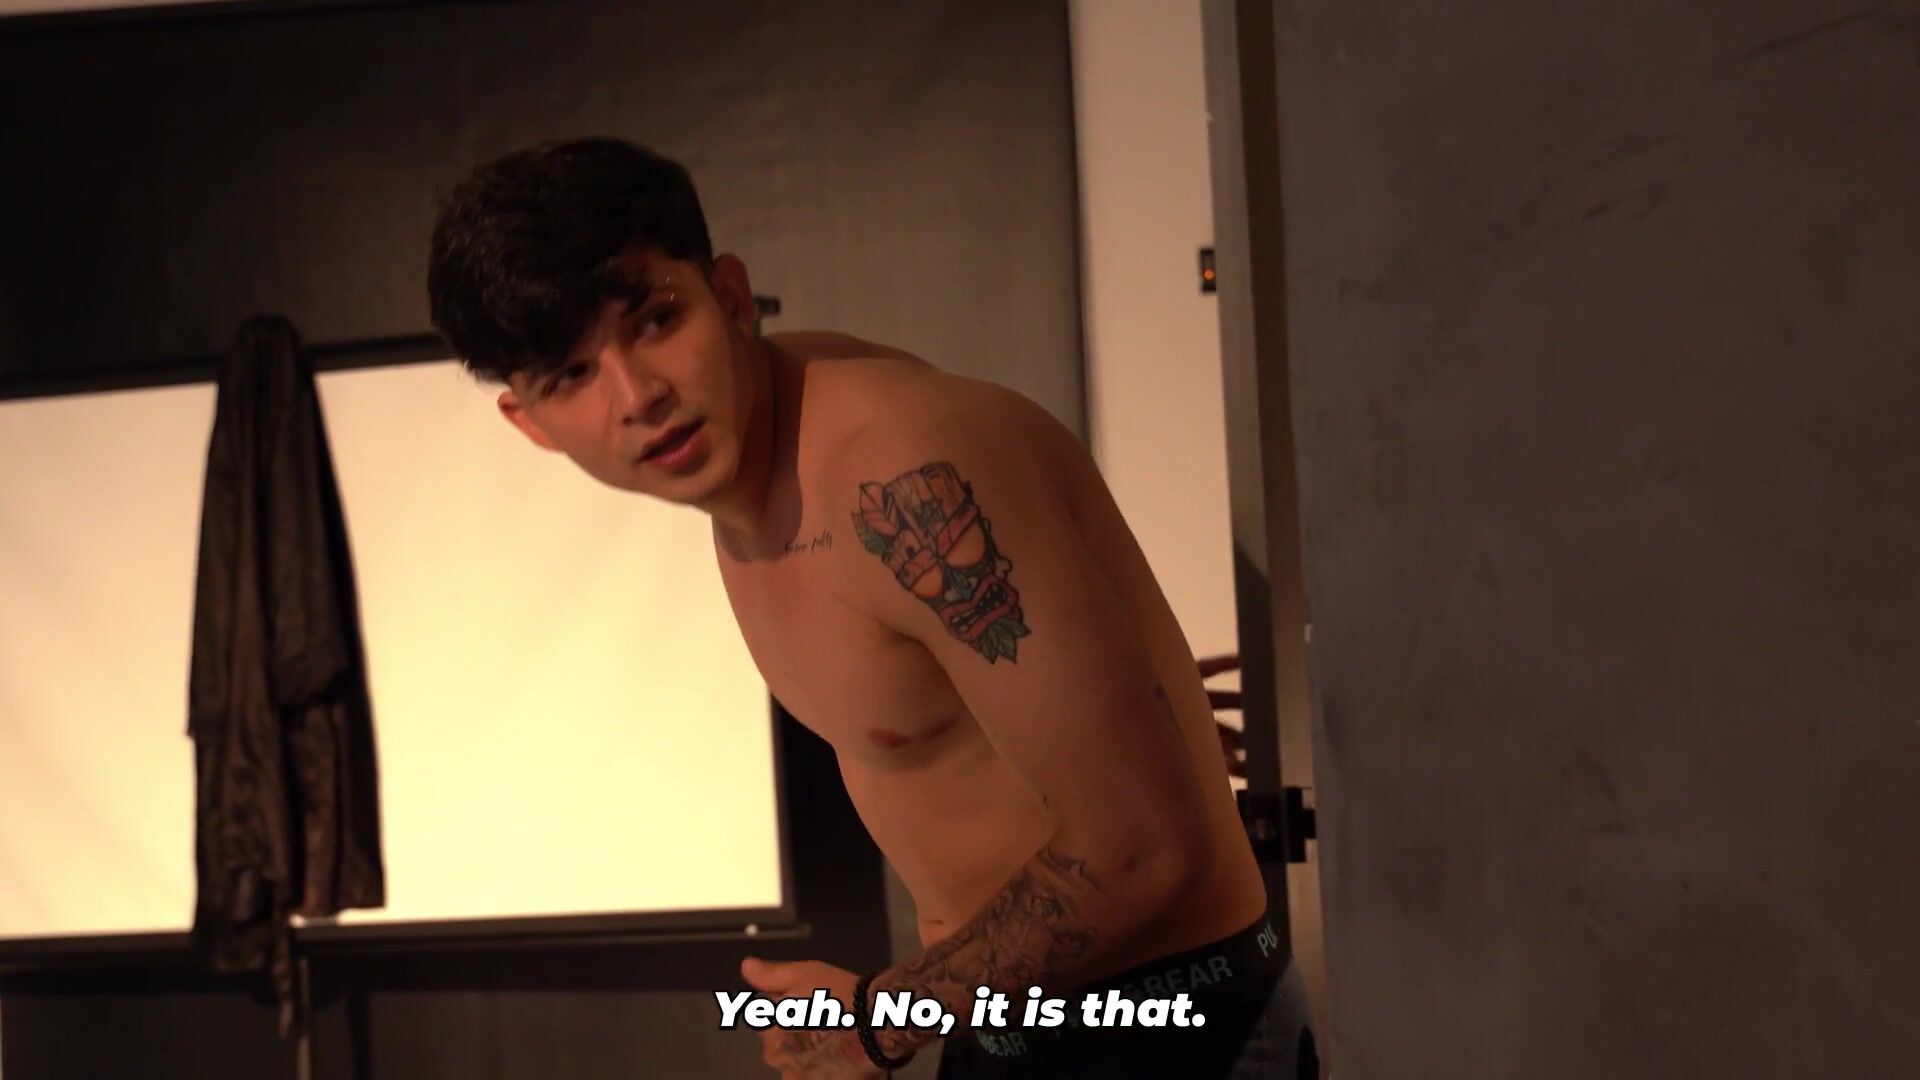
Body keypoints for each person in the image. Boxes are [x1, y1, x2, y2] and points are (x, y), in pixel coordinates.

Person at [426, 138, 1311, 1078]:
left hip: (1175, 1027)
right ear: (528, 421)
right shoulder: (757, 463)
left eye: (655, 320)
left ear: (730, 296)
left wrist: (881, 1020)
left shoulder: (892, 462)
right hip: (1023, 1025)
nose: (639, 395)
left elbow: (1141, 847)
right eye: (571, 374)